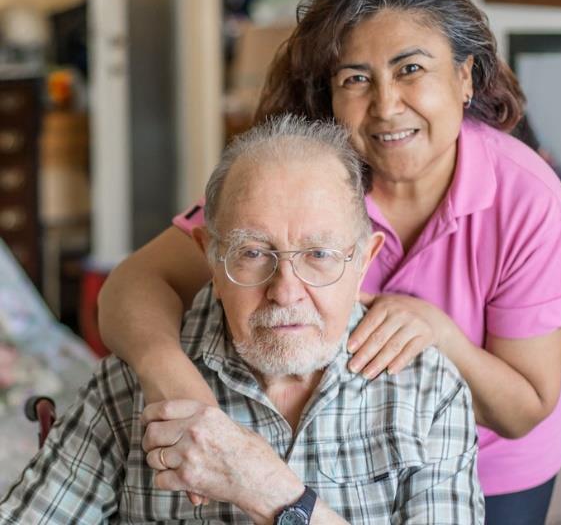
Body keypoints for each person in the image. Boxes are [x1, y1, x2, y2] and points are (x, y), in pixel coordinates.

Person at [98, 0, 561, 522]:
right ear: (329, 96)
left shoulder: (526, 196)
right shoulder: (303, 185)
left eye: (411, 69)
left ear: (464, 78)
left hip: (492, 475)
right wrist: (175, 382)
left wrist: (438, 332)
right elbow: (131, 285)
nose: (386, 104)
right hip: (329, 464)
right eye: (356, 78)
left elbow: (526, 410)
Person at [0, 116, 484, 524]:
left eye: (319, 254)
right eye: (253, 253)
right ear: (209, 255)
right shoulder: (132, 386)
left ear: (363, 260)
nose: (286, 291)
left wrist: (275, 494)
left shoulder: (428, 392)